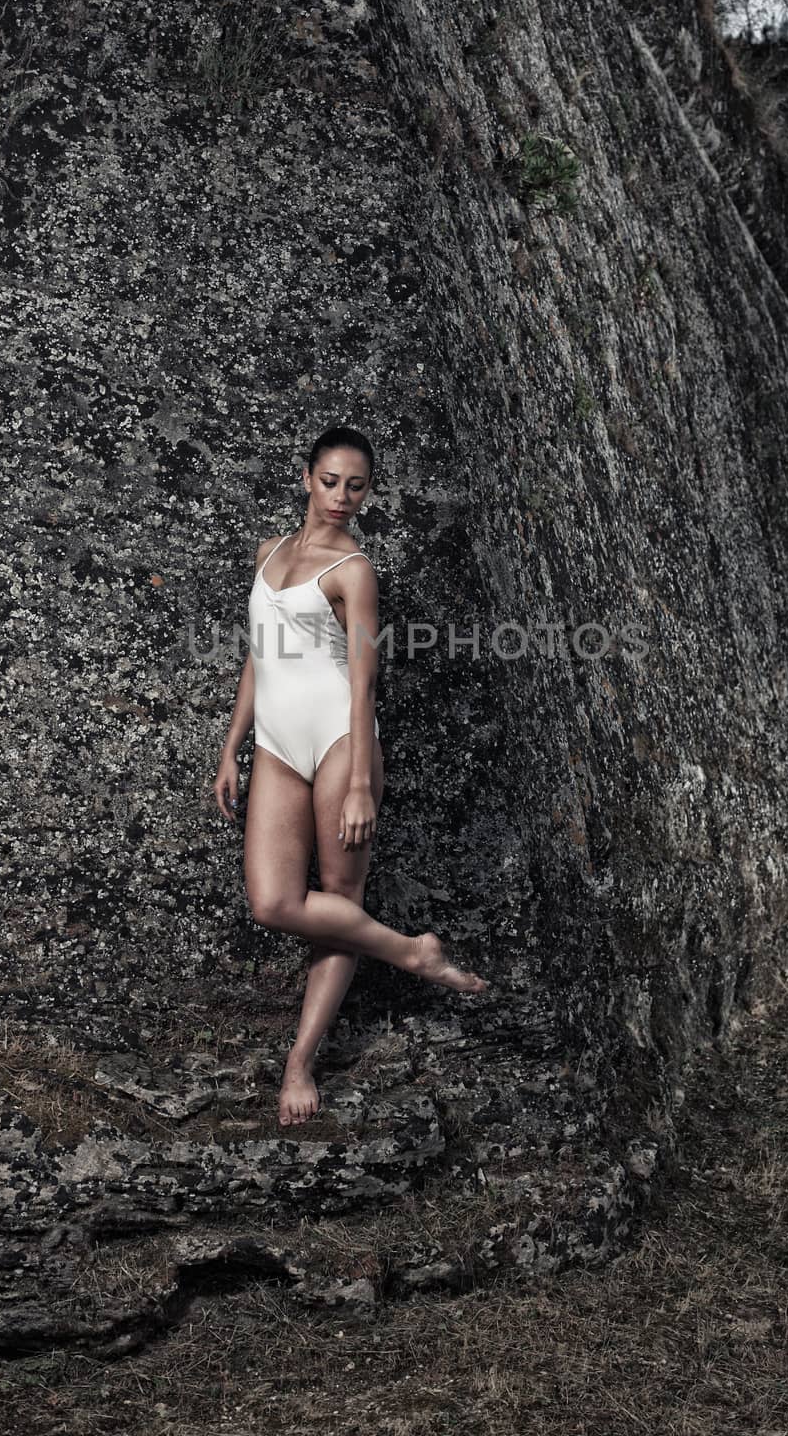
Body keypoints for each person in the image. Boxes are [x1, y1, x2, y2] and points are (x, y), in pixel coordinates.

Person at [215, 424, 489, 1127]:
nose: (341, 497)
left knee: (337, 897)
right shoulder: (267, 553)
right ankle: (412, 952)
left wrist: (363, 781)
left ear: (369, 493)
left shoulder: (353, 570)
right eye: (330, 481)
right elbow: (260, 655)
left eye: (356, 485)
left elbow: (364, 682)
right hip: (277, 743)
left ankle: (299, 1061)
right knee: (272, 902)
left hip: (340, 739)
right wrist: (231, 746)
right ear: (306, 477)